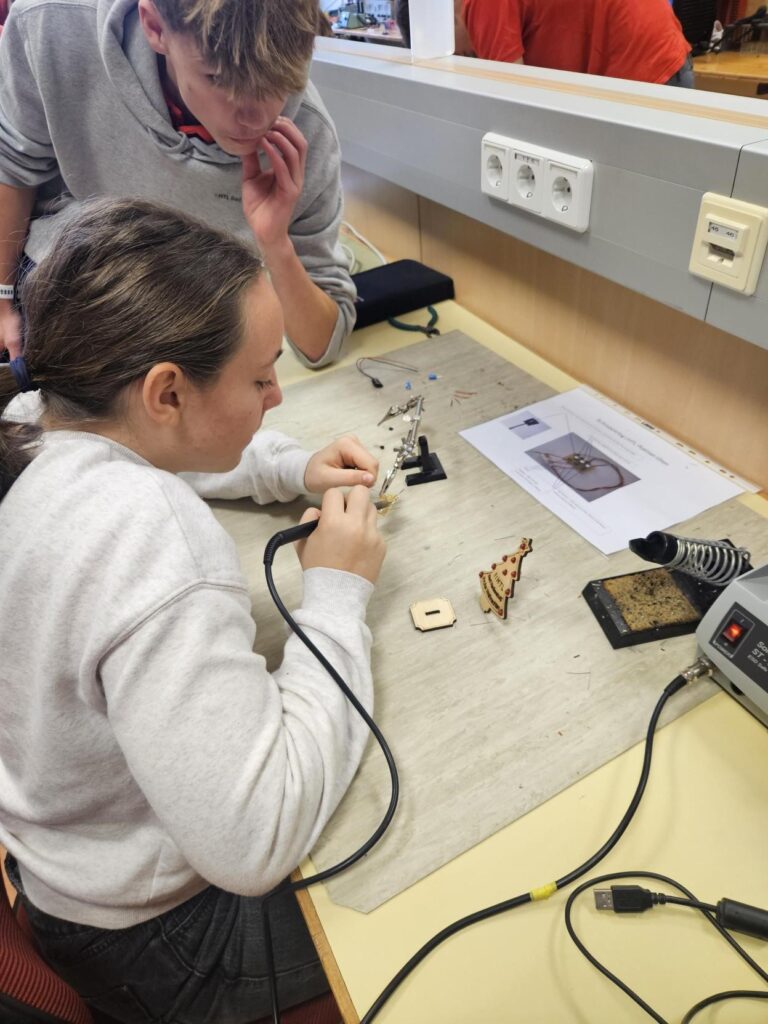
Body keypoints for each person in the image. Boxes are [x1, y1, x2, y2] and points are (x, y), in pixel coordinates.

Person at [0, 196, 386, 1023]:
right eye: (259, 377)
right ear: (168, 392)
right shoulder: (152, 537)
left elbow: (160, 444)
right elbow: (256, 840)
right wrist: (335, 593)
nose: (276, 397)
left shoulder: (29, 422)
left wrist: (289, 469)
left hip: (60, 872)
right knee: (417, 850)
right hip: (161, 940)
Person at [0, 0, 355, 368]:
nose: (254, 120)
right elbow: (11, 165)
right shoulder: (51, 24)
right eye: (218, 78)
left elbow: (321, 346)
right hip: (62, 290)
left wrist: (275, 245)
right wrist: (2, 297)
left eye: (277, 83)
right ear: (155, 27)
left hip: (200, 321)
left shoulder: (306, 135)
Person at [396, 0, 694, 87]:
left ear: (447, 22)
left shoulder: (480, 7)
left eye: (463, 54)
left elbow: (515, 103)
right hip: (655, 53)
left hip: (646, 69)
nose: (473, 55)